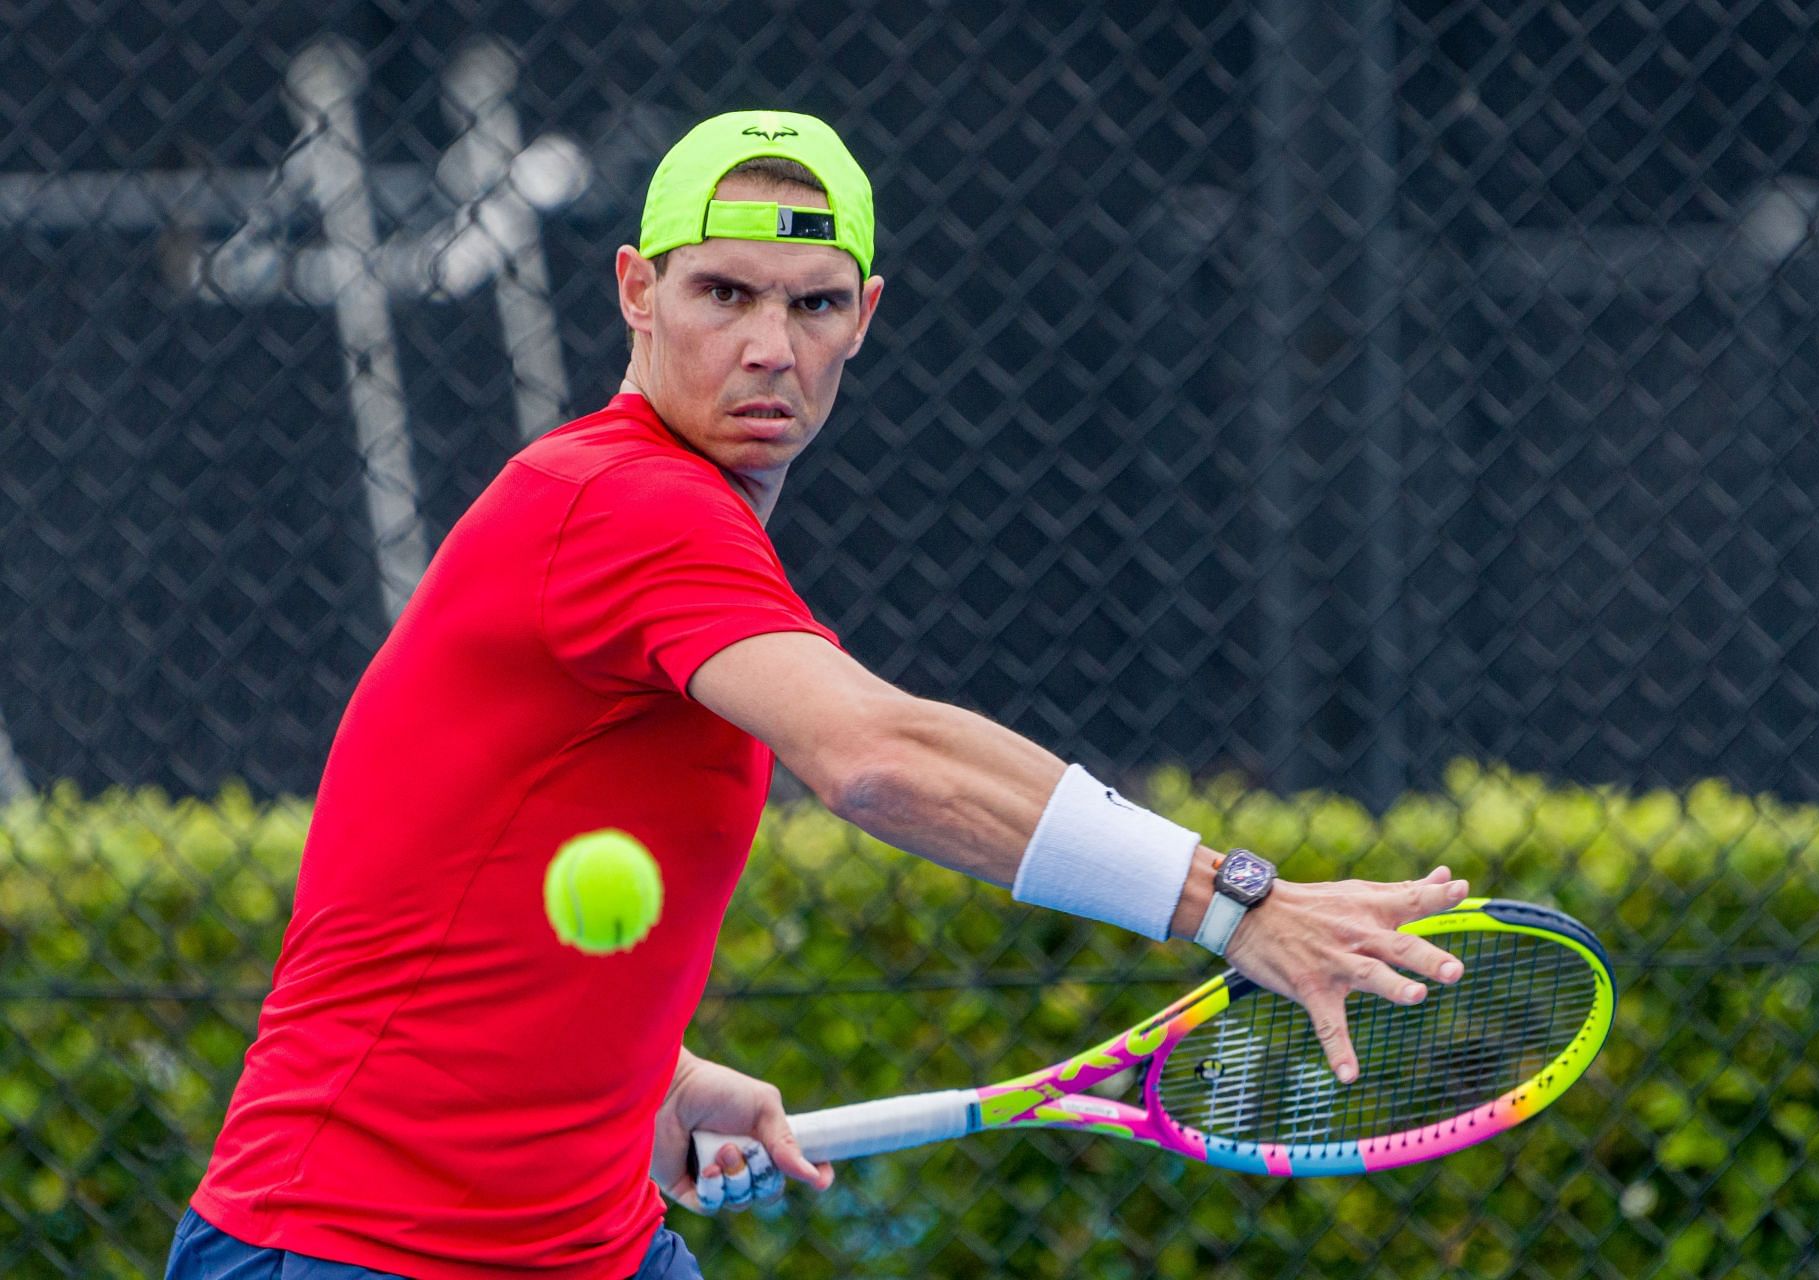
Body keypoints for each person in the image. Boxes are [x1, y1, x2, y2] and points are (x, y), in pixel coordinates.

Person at [167, 109, 1470, 1280]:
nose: (768, 347)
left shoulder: (658, 526)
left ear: (868, 313)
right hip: (348, 1250)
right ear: (636, 289)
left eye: (813, 304)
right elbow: (876, 755)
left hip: (593, 1244)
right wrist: (1231, 901)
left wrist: (647, 1078)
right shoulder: (620, 503)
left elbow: (473, 871)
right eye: (723, 292)